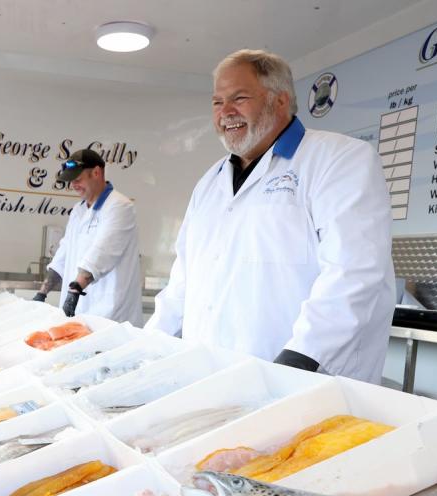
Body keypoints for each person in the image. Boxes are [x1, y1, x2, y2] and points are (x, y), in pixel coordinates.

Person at [146, 49, 395, 383]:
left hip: (303, 379)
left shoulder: (340, 159)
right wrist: (147, 347)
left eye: (239, 98)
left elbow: (354, 272)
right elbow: (183, 281)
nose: (226, 113)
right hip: (210, 378)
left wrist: (300, 358)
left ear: (280, 100)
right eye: (217, 102)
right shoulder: (209, 183)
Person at [33, 149, 143, 325]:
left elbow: (102, 253)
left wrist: (75, 291)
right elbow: (63, 254)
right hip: (80, 313)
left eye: (78, 179)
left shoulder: (120, 206)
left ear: (97, 172)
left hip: (110, 316)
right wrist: (41, 293)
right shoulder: (79, 210)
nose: (74, 185)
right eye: (71, 181)